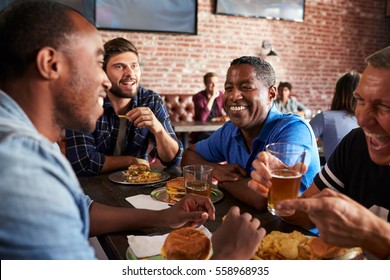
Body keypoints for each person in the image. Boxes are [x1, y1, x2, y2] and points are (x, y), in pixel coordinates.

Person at [0, 0, 265, 260]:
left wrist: (164, 216)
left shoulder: (30, 144)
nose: (105, 80)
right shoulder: (21, 166)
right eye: (96, 62)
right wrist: (225, 259)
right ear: (50, 64)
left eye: (134, 66)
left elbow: (83, 211)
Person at [249, 46, 390, 259]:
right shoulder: (355, 143)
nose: (362, 119)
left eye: (385, 106)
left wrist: (373, 234)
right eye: (360, 100)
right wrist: (281, 193)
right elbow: (306, 216)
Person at [181, 56, 321, 210]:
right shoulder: (230, 130)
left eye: (246, 87)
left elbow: (263, 196)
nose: (233, 96)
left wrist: (223, 182)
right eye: (228, 88)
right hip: (249, 225)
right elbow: (188, 156)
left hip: (299, 231)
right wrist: (215, 169)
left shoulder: (293, 128)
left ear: (271, 94)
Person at [65, 37, 183, 176]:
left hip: (139, 185)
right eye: (119, 66)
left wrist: (158, 130)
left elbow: (173, 160)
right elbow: (81, 163)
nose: (130, 73)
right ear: (103, 72)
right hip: (93, 187)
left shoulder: (151, 100)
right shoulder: (84, 101)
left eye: (134, 66)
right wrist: (132, 161)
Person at [310, 70, 360, 161]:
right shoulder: (369, 121)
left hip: (334, 174)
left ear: (338, 93)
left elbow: (300, 143)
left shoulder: (324, 118)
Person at [191, 72, 227, 142]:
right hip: (202, 131)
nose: (214, 85)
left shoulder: (221, 96)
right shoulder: (198, 97)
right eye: (211, 83)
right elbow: (202, 118)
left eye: (216, 82)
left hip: (217, 128)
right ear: (205, 84)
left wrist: (221, 119)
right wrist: (212, 97)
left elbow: (229, 111)